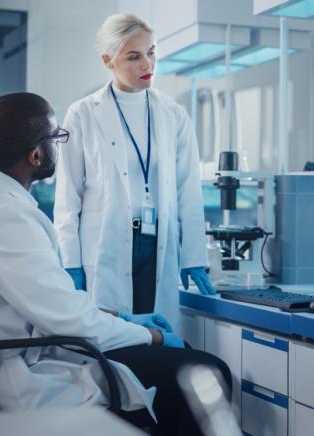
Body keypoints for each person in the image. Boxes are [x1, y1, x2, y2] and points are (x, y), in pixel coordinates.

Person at [0, 92, 231, 435]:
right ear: (36, 155)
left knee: (183, 365)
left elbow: (54, 305)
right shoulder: (5, 218)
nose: (61, 143)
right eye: (57, 136)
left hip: (35, 347)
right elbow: (71, 322)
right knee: (205, 372)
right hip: (29, 372)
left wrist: (120, 319)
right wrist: (151, 335)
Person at [54, 14, 215, 324]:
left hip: (158, 246)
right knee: (116, 345)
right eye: (134, 56)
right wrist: (70, 262)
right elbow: (67, 198)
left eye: (151, 52)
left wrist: (194, 256)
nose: (148, 64)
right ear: (108, 60)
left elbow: (188, 191)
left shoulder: (174, 114)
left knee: (157, 337)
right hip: (106, 247)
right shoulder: (83, 113)